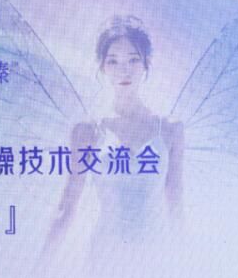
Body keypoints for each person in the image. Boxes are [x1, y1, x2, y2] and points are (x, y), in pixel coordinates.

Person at [46, 16, 184, 254]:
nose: (124, 70)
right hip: (104, 257)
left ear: (146, 63)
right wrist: (39, 265)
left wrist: (191, 262)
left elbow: (176, 206)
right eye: (113, 61)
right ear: (102, 67)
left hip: (156, 258)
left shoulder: (171, 130)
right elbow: (67, 207)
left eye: (133, 60)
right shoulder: (87, 132)